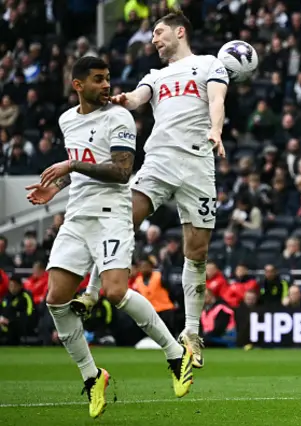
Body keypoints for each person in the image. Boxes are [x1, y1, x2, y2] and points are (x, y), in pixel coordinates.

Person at [24, 56, 194, 419]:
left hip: (111, 215)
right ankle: (92, 376)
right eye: (99, 80)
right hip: (77, 216)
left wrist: (71, 166)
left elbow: (120, 171)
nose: (106, 86)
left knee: (115, 291)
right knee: (55, 299)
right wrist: (56, 186)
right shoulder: (67, 119)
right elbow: (84, 164)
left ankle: (176, 354)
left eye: (108, 79)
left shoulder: (119, 117)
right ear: (78, 85)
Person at [71, 10, 229, 369]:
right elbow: (139, 98)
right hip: (158, 161)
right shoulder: (155, 75)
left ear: (179, 31)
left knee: (198, 251)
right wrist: (123, 100)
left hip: (198, 164)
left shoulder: (208, 64)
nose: (154, 40)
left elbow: (217, 100)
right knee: (122, 218)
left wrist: (216, 130)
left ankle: (190, 333)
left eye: (158, 33)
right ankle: (93, 291)